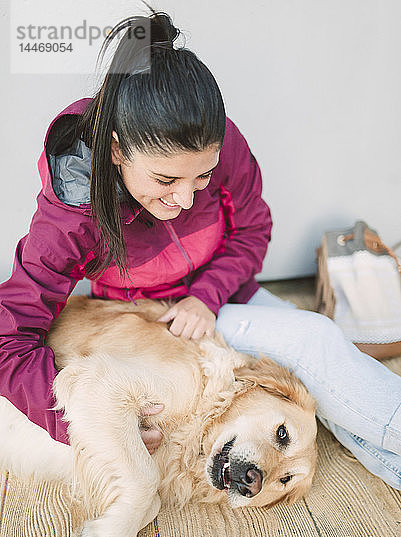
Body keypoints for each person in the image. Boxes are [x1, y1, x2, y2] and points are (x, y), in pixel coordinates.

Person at [0, 9, 400, 490]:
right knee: (315, 354)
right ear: (115, 151)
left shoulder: (220, 142)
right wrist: (83, 423)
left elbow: (253, 230)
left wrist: (207, 295)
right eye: (165, 180)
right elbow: (9, 340)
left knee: (317, 346)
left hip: (224, 298)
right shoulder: (72, 213)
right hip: (152, 321)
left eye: (202, 178)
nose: (185, 199)